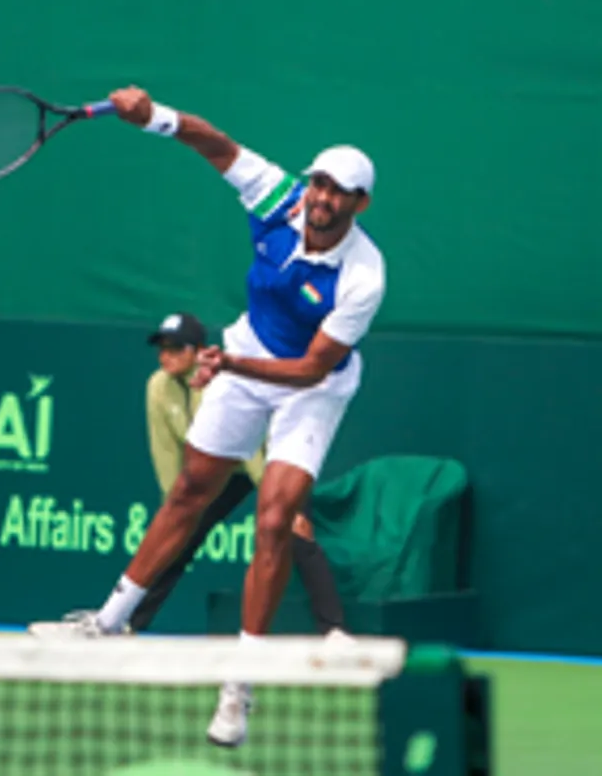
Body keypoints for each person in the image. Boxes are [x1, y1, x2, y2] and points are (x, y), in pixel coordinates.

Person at [31, 87, 385, 750]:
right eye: (319, 183)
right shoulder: (279, 198)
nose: (322, 197)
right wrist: (154, 117)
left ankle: (240, 687)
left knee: (275, 518)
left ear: (360, 203)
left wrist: (227, 366)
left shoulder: (364, 276)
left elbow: (312, 369)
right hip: (250, 351)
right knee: (193, 488)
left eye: (340, 191)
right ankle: (107, 624)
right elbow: (215, 144)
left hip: (311, 387)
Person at [47, 311, 347, 636]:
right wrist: (174, 513)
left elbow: (254, 449)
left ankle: (334, 630)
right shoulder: (158, 387)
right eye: (162, 348)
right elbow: (165, 452)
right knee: (177, 539)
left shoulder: (220, 379)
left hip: (265, 459)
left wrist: (281, 504)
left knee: (291, 530)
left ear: (197, 350)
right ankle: (128, 622)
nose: (166, 356)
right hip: (216, 474)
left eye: (176, 348)